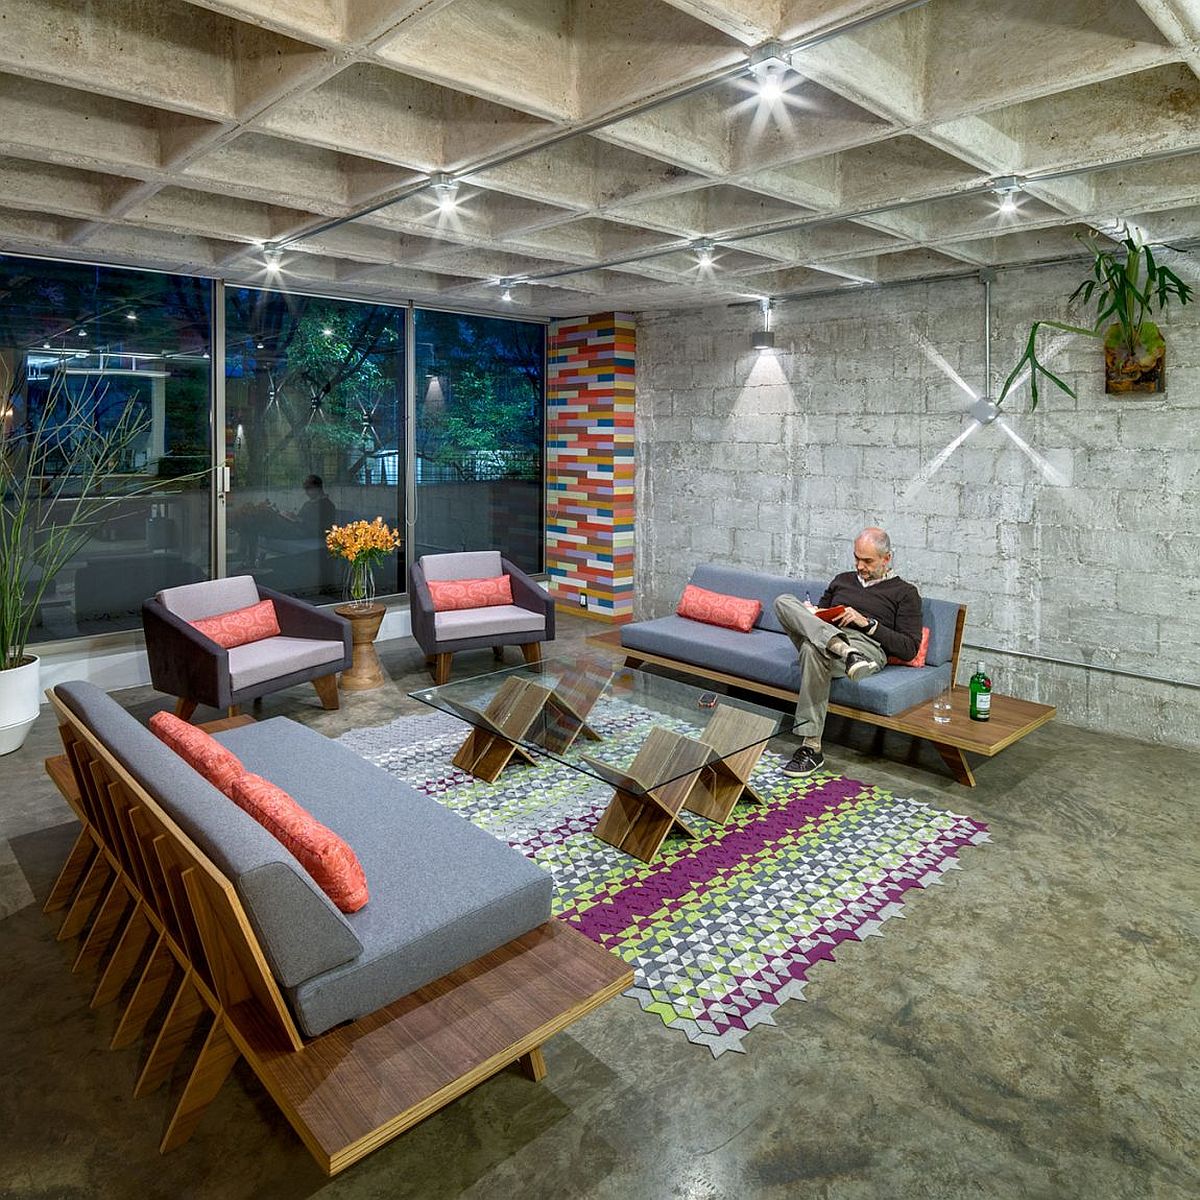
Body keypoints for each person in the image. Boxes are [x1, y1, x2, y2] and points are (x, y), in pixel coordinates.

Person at [775, 527, 922, 777]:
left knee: (812, 651)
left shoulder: (905, 593)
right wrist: (813, 612)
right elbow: (819, 618)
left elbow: (909, 648)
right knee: (783, 601)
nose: (860, 566)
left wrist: (868, 623)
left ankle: (811, 747)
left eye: (867, 561)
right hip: (832, 643)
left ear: (887, 558)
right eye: (856, 558)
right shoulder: (841, 579)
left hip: (866, 647)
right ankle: (843, 650)